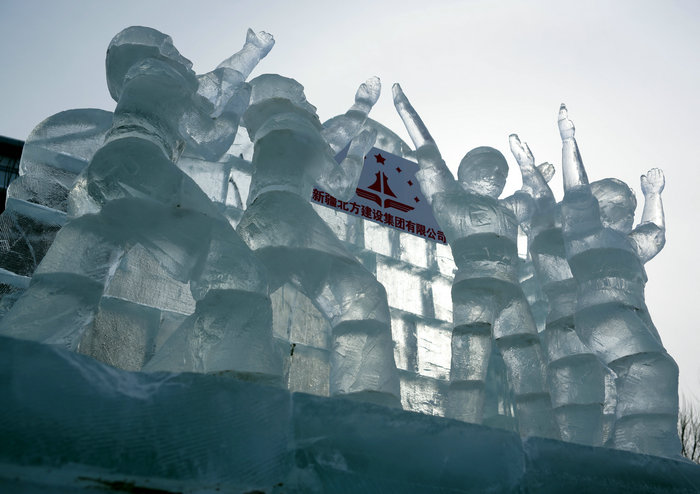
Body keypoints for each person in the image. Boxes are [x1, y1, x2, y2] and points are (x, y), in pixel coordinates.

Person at [0, 27, 280, 381]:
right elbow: (210, 138)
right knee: (240, 275)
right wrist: (237, 105)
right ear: (155, 55)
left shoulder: (147, 79)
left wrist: (252, 51)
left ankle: (18, 361)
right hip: (140, 168)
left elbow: (216, 85)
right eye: (172, 50)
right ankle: (214, 388)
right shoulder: (161, 74)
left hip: (105, 172)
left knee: (72, 282)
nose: (186, 59)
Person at [392, 83, 558, 438]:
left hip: (511, 290)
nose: (495, 174)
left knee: (530, 363)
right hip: (474, 284)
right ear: (465, 174)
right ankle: (462, 430)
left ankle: (543, 435)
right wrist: (405, 110)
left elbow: (539, 201)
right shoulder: (451, 201)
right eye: (487, 167)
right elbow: (429, 154)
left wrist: (530, 168)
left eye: (500, 171)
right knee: (470, 360)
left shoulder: (509, 208)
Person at [236, 74, 401, 407]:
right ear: (285, 102)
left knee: (239, 298)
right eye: (302, 97)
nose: (311, 104)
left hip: (260, 218)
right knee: (363, 295)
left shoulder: (276, 129)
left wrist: (361, 107)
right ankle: (365, 397)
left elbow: (332, 135)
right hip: (290, 217)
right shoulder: (295, 126)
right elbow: (340, 185)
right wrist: (358, 150)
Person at [558, 104, 679, 457]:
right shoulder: (586, 234)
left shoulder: (628, 245)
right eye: (622, 206)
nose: (628, 213)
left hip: (633, 311)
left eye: (630, 207)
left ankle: (619, 445)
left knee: (627, 380)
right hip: (602, 310)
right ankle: (642, 448)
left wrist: (653, 195)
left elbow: (654, 234)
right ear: (602, 208)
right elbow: (576, 193)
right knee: (652, 368)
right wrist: (568, 141)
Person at [509, 134, 609, 445]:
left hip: (579, 321)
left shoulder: (573, 238)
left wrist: (532, 167)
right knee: (569, 389)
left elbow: (565, 196)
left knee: (585, 392)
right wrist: (530, 166)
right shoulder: (551, 232)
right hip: (567, 320)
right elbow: (550, 197)